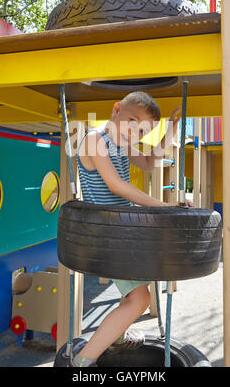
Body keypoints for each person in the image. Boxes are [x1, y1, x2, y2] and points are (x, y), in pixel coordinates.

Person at [71, 91, 193, 367]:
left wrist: (170, 129)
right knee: (140, 299)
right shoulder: (95, 141)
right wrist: (160, 206)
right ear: (116, 110)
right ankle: (83, 360)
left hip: (119, 232)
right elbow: (116, 185)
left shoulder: (121, 145)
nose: (134, 132)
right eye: (132, 121)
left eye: (143, 131)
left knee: (134, 293)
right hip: (107, 234)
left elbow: (151, 162)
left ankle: (115, 336)